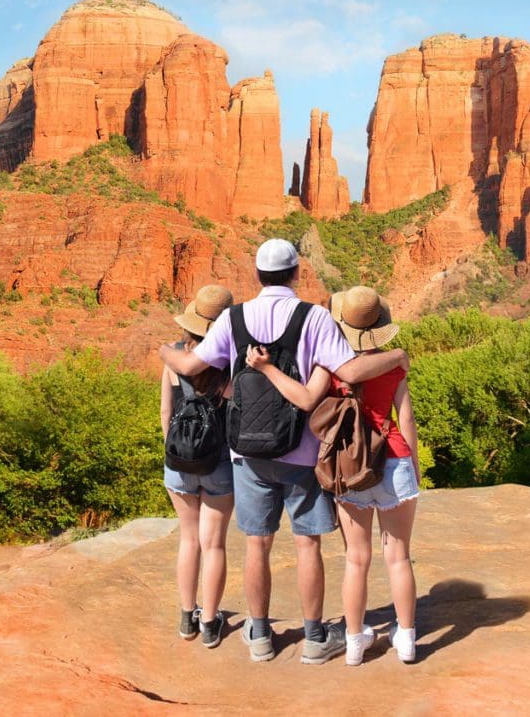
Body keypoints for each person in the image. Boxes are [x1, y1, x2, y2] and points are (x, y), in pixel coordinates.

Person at [160, 240, 409, 665]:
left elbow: (187, 367)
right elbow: (348, 372)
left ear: (257, 275)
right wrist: (398, 356)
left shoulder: (233, 318)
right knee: (307, 545)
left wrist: (165, 350)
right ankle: (314, 638)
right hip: (303, 452)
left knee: (257, 545)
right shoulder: (314, 317)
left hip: (247, 455)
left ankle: (259, 636)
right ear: (296, 273)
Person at [246, 285, 419, 666]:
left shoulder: (329, 365)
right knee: (399, 557)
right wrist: (414, 469)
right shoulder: (394, 364)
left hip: (348, 467)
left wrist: (265, 368)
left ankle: (355, 644)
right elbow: (404, 420)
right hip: (394, 460)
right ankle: (406, 640)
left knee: (356, 559)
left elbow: (306, 400)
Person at [161, 284, 235, 649]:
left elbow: (165, 412)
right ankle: (209, 622)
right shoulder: (228, 361)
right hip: (219, 462)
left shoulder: (174, 356)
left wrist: (176, 452)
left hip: (178, 461)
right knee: (214, 544)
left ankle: (186, 617)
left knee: (188, 540)